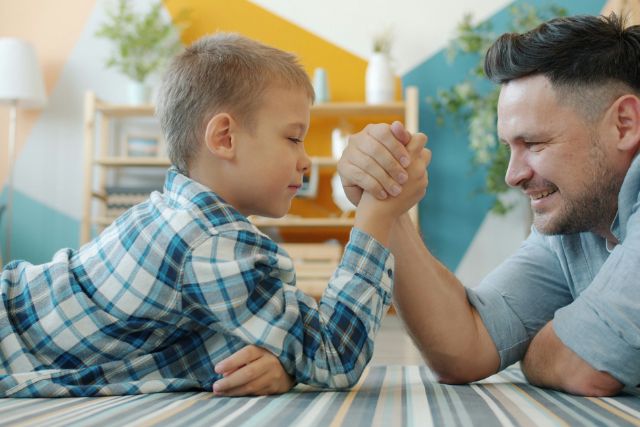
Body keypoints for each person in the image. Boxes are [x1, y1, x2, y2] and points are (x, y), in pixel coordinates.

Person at [0, 33, 430, 397]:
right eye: (294, 138)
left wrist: (285, 362)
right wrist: (376, 215)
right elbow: (334, 355)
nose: (306, 162)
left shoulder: (178, 213)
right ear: (224, 137)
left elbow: (186, 340)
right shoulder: (212, 243)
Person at [335, 13, 640, 397]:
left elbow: (581, 367)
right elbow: (467, 346)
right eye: (509, 147)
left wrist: (540, 350)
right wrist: (384, 204)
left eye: (535, 143)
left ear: (625, 124)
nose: (512, 175)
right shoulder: (575, 226)